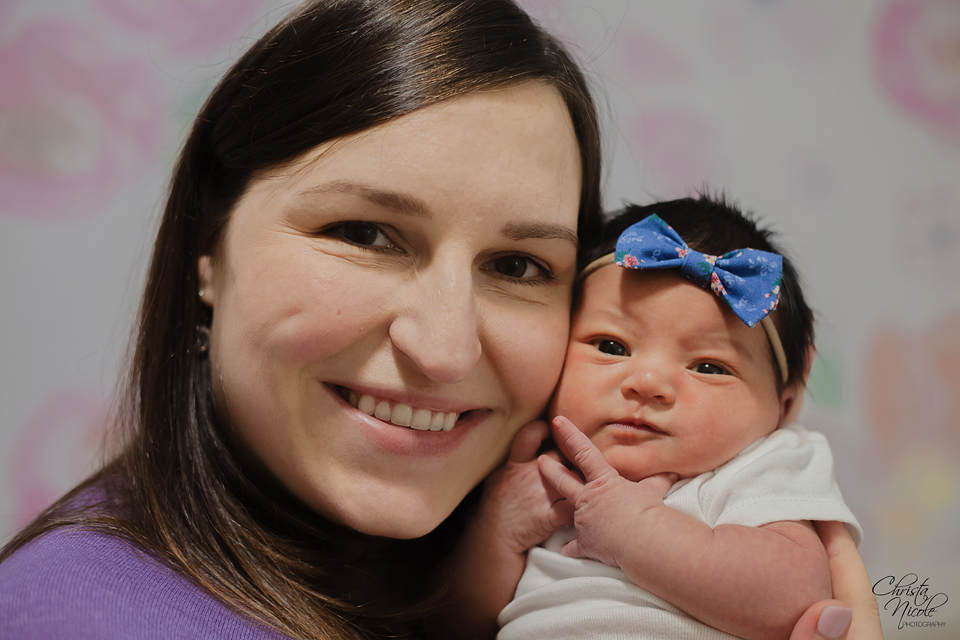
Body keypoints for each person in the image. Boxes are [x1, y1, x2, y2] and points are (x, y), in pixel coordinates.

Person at [0, 1, 882, 639]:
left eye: (517, 265)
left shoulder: (480, 535)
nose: (445, 347)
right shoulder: (80, 616)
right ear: (208, 246)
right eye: (365, 233)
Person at [441, 197, 869, 640]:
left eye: (709, 367)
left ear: (785, 403)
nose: (647, 383)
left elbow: (796, 595)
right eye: (611, 346)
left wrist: (635, 533)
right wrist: (498, 532)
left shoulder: (760, 466)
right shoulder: (541, 473)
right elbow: (460, 627)